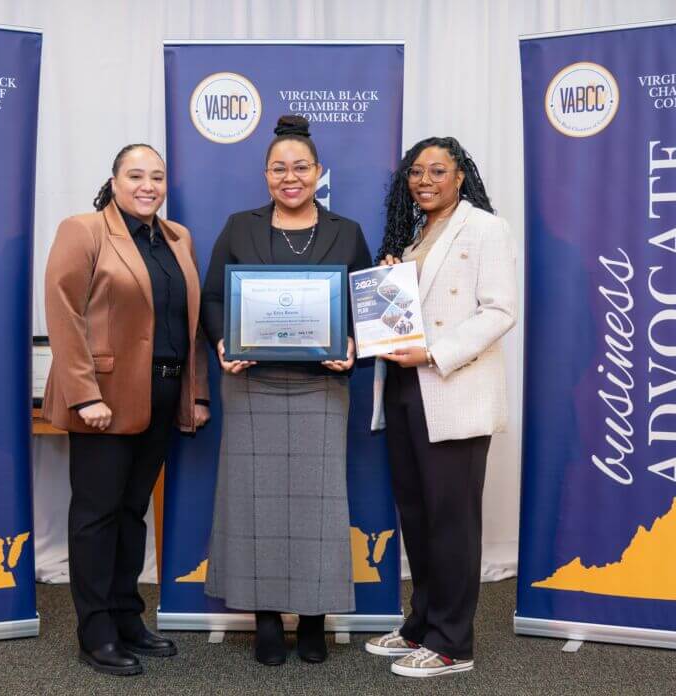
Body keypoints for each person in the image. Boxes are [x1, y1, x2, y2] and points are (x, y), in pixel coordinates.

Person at [201, 115, 371, 666]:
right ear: (265, 175)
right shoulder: (239, 226)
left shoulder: (347, 231)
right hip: (252, 386)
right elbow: (213, 298)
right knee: (255, 507)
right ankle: (268, 620)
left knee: (320, 508)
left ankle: (315, 619)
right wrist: (223, 341)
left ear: (318, 172)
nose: (290, 177)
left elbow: (364, 305)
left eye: (300, 167)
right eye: (279, 169)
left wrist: (353, 342)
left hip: (321, 386)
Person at [43, 143, 210, 677]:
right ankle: (95, 632)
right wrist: (84, 393)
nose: (148, 186)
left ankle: (126, 617)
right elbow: (64, 312)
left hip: (162, 394)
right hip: (104, 398)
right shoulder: (84, 230)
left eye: (156, 177)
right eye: (136, 176)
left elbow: (190, 323)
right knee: (96, 516)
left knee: (133, 512)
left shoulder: (178, 238)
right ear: (114, 182)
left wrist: (196, 393)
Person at [363, 137, 516, 678]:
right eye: (415, 172)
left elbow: (499, 311)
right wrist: (391, 282)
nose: (424, 181)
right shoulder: (414, 237)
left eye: (437, 171)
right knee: (417, 515)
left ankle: (452, 644)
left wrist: (433, 352)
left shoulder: (486, 228)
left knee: (451, 522)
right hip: (407, 387)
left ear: (459, 176)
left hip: (452, 385)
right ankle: (421, 626)